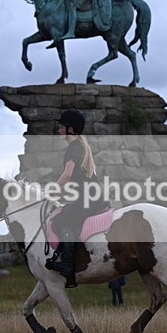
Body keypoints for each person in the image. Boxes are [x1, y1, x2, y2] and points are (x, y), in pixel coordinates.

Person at [45, 108, 104, 288]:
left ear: (71, 129)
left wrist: (51, 192)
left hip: (87, 199)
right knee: (66, 213)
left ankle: (67, 265)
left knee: (63, 221)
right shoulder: (81, 145)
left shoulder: (73, 147)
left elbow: (68, 175)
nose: (58, 130)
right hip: (90, 196)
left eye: (61, 126)